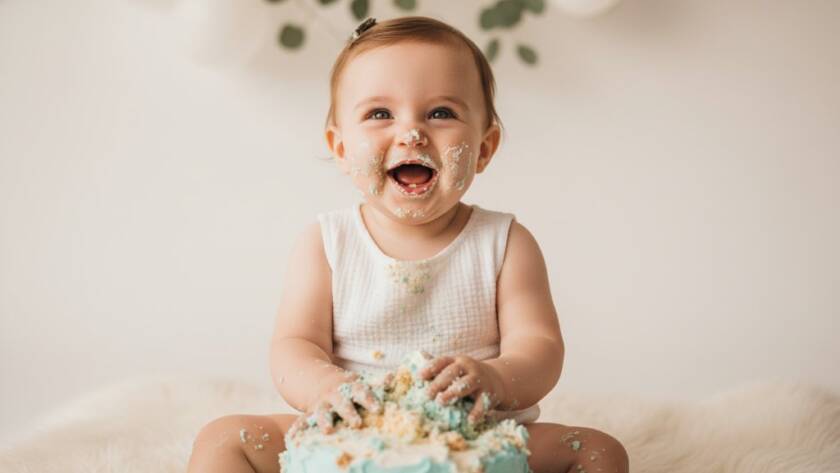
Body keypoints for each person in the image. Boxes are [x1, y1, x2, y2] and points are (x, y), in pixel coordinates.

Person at [187, 16, 629, 473]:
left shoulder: (504, 243)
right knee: (222, 438)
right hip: (350, 431)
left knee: (599, 451)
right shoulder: (327, 242)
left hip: (475, 433)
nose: (412, 133)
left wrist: (495, 378)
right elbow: (294, 345)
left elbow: (540, 347)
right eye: (380, 114)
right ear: (340, 149)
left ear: (483, 148)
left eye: (441, 113)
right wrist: (324, 387)